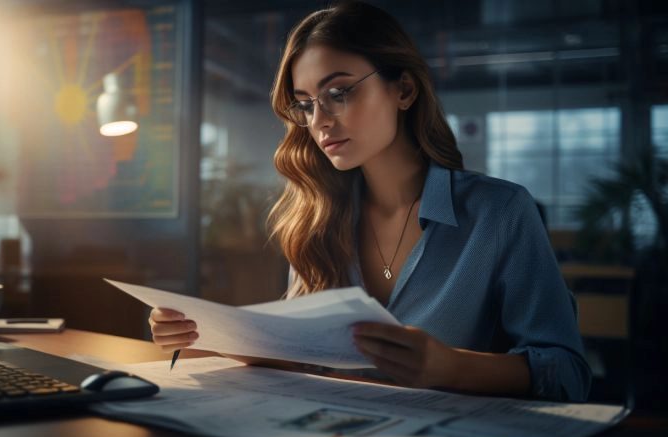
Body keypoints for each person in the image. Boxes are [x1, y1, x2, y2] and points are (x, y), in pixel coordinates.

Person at [149, 1, 591, 402]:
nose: (319, 122)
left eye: (339, 93)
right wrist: (204, 332)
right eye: (305, 104)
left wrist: (450, 366)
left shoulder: (500, 212)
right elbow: (302, 357)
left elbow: (568, 373)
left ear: (404, 91)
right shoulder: (316, 218)